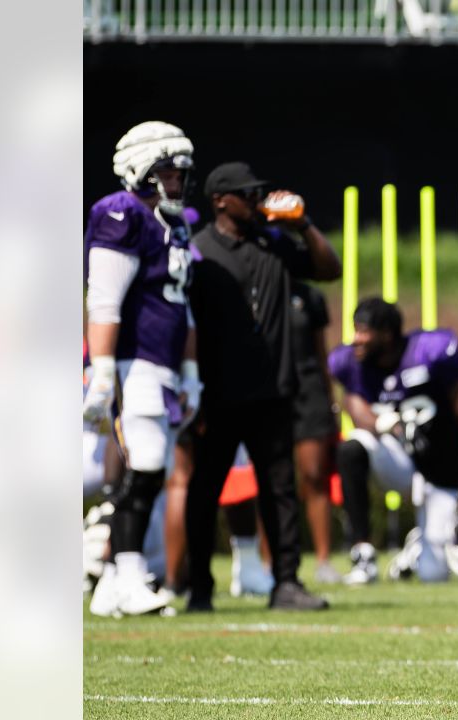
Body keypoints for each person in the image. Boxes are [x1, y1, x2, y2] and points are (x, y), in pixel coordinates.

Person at [185, 161, 340, 612]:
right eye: (247, 195)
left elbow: (330, 270)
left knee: (279, 490)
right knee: (204, 490)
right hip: (217, 394)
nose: (257, 201)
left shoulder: (273, 242)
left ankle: (286, 583)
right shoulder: (198, 252)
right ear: (220, 200)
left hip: (273, 390)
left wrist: (304, 224)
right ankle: (198, 588)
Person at [84, 121, 202, 617]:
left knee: (144, 471)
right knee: (146, 467)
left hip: (165, 365)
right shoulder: (121, 213)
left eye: (180, 175)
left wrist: (191, 372)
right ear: (141, 171)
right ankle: (127, 573)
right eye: (167, 173)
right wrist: (104, 372)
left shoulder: (175, 224)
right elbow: (105, 302)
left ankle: (113, 580)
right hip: (134, 364)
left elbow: (184, 306)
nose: (176, 183)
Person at [327, 298, 458, 584]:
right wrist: (380, 423)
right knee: (353, 447)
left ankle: (417, 545)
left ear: (387, 334)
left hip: (440, 470)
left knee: (433, 574)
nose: (356, 339)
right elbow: (353, 401)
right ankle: (363, 555)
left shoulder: (429, 353)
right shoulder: (353, 364)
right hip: (397, 463)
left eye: (364, 331)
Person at [289, 280, 341, 584]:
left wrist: (329, 399)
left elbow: (322, 353)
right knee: (270, 480)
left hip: (308, 390)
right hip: (268, 388)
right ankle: (266, 564)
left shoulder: (309, 296)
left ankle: (323, 559)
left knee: (314, 475)